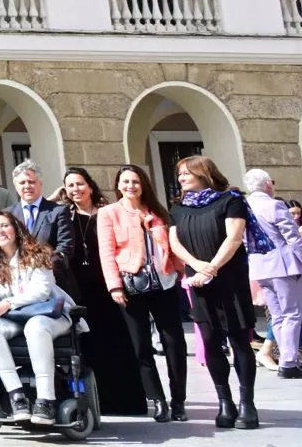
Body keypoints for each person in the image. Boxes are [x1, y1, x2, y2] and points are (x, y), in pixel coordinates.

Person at [169, 155, 261, 429]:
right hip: (197, 281)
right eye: (179, 174)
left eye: (186, 173)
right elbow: (175, 242)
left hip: (229, 279)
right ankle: (225, 402)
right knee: (209, 341)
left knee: (239, 341)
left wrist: (211, 269)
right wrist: (196, 267)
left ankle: (247, 404)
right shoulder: (178, 207)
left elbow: (234, 238)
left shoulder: (230, 200)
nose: (181, 178)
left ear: (203, 173)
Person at [0, 211, 72, 425]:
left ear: (16, 229)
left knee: (35, 326)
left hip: (48, 315)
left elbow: (41, 291)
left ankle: (45, 400)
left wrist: (8, 303)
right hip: (14, 319)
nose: (0, 231)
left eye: (5, 226)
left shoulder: (38, 253)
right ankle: (16, 396)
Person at [98, 164, 186, 422]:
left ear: (143, 184)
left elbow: (171, 244)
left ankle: (178, 399)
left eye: (135, 181)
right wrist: (114, 285)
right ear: (118, 185)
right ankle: (157, 400)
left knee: (174, 343)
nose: (130, 186)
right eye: (125, 181)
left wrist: (180, 271)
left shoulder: (157, 211)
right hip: (131, 284)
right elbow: (107, 252)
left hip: (164, 283)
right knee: (141, 347)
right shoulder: (109, 213)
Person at [61, 166, 146, 418]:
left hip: (110, 286)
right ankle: (100, 402)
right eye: (70, 186)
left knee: (120, 344)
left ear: (90, 185)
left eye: (79, 184)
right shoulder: (66, 217)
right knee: (91, 346)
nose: (75, 189)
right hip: (81, 291)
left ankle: (129, 402)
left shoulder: (108, 213)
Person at [245, 169, 302, 379]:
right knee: (292, 314)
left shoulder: (244, 206)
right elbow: (293, 238)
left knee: (278, 315)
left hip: (259, 268)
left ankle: (289, 359)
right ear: (268, 184)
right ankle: (289, 361)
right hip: (283, 266)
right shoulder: (274, 204)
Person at [10, 162, 77, 291]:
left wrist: (41, 265)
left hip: (54, 284)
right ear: (15, 186)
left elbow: (65, 247)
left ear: (40, 183)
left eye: (31, 182)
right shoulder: (8, 214)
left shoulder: (58, 211)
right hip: (18, 286)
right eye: (22, 183)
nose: (27, 186)